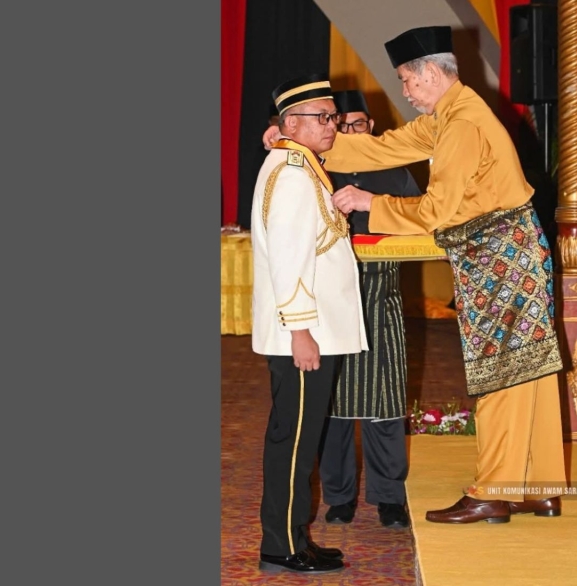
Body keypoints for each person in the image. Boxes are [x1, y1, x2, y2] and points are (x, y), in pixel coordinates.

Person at [264, 26, 567, 524]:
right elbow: (383, 149)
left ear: (430, 73)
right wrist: (299, 136)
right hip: (511, 252)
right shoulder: (453, 113)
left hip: (499, 257)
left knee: (501, 374)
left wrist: (371, 203)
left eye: (407, 80)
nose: (404, 91)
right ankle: (535, 485)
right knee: (525, 370)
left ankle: (495, 489)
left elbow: (439, 209)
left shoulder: (463, 124)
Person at [250, 73, 367, 573]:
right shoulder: (294, 174)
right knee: (294, 439)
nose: (332, 125)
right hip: (304, 330)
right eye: (322, 117)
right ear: (290, 123)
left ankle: (295, 533)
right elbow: (289, 258)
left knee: (300, 437)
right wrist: (300, 331)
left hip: (311, 327)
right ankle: (282, 544)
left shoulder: (299, 163)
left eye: (332, 116)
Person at [316, 90, 420, 530]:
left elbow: (422, 217)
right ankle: (338, 496)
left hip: (382, 300)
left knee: (386, 401)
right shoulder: (316, 170)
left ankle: (389, 497)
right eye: (341, 125)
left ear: (372, 126)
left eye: (357, 124)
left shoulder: (394, 170)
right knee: (332, 403)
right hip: (332, 300)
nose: (349, 132)